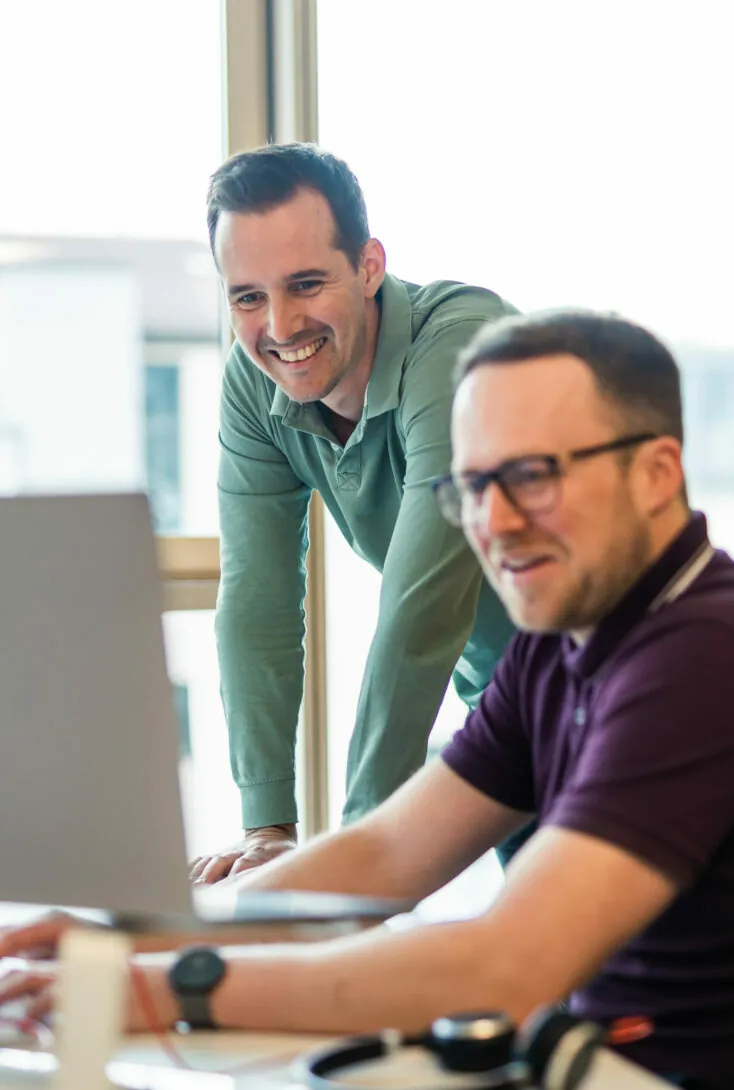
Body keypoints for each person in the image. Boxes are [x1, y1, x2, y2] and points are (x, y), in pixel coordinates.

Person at [2, 310, 732, 1088]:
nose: (496, 524)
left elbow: (506, 965)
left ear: (656, 473)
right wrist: (125, 942)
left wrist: (171, 985)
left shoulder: (701, 654)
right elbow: (379, 858)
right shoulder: (560, 645)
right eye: (474, 486)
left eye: (531, 478)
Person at [190, 142, 519, 880]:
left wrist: (349, 859)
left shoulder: (461, 343)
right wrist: (267, 830)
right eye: (247, 297)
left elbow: (419, 607)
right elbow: (257, 598)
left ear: (369, 266)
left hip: (633, 691)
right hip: (512, 714)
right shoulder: (254, 384)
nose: (278, 326)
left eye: (305, 284)